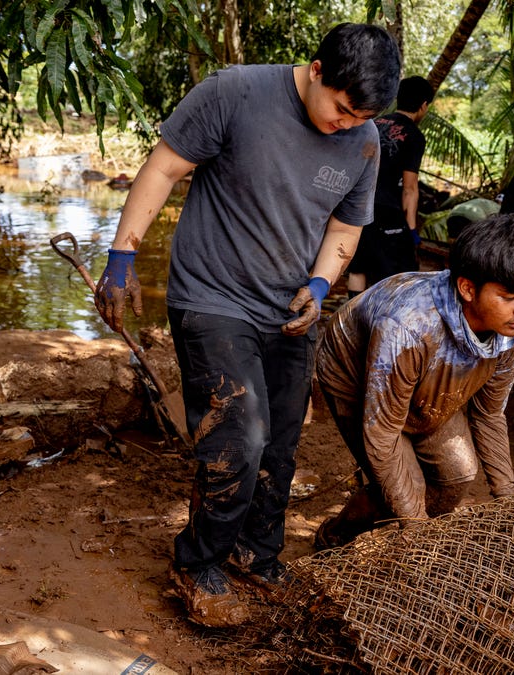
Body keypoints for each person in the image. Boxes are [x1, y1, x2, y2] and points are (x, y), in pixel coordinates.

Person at [92, 23, 400, 628]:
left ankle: (255, 555)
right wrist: (122, 258)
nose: (344, 123)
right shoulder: (235, 92)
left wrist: (318, 287)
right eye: (339, 108)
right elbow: (162, 168)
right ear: (316, 69)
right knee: (239, 435)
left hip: (288, 311)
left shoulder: (363, 140)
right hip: (211, 295)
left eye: (359, 115)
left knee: (281, 447)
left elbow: (345, 228)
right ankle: (196, 562)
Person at [312, 214, 514, 549]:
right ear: (468, 288)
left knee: (458, 474)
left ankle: (402, 536)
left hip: (429, 374)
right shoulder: (408, 326)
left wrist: (508, 499)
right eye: (509, 296)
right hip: (355, 370)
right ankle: (336, 537)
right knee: (401, 485)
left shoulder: (513, 334)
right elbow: (383, 433)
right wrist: (418, 529)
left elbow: (488, 415)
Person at [346, 75, 435, 297]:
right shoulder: (414, 135)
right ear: (423, 105)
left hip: (357, 203)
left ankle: (351, 322)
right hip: (387, 211)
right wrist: (412, 230)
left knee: (358, 268)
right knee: (396, 273)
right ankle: (383, 323)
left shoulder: (373, 124)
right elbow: (410, 188)